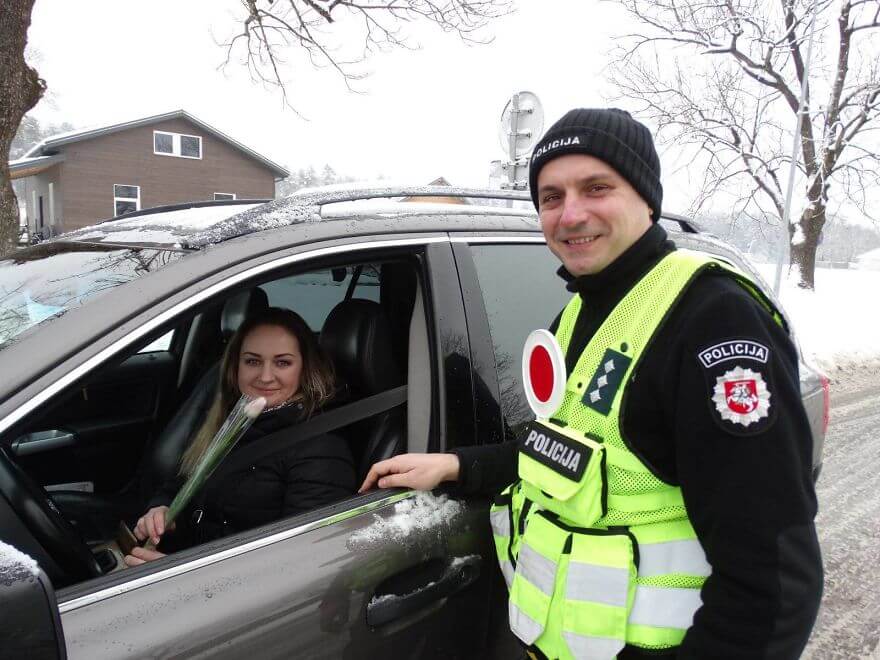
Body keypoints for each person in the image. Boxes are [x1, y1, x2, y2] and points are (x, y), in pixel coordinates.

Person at [360, 108, 823, 659]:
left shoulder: (712, 320)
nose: (570, 214)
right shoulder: (586, 312)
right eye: (551, 197)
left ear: (646, 198)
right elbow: (579, 459)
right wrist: (461, 465)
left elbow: (773, 585)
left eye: (596, 187)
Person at [125, 307, 356, 566]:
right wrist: (163, 509)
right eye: (253, 361)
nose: (265, 377)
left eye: (283, 362)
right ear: (236, 366)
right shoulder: (231, 418)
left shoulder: (320, 449)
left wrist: (171, 577)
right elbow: (181, 483)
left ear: (304, 368)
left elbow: (300, 564)